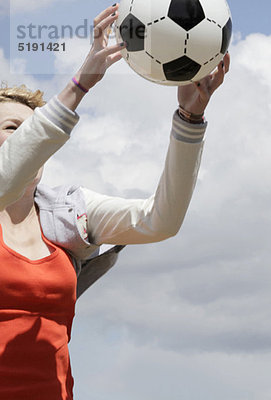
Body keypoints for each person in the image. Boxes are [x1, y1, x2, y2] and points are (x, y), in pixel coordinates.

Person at [0, 4, 229, 399]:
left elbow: (160, 220)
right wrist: (80, 84)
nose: (27, 138)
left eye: (33, 128)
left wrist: (189, 119)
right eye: (12, 128)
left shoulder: (67, 213)